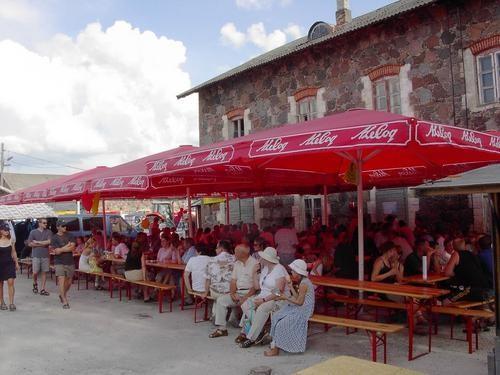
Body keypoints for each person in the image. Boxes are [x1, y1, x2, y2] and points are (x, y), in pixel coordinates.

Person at [239, 247, 287, 348]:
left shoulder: (279, 269)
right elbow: (257, 287)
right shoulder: (265, 269)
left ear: (267, 259)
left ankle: (251, 337)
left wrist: (264, 300)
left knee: (262, 308)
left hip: (276, 298)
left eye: (262, 258)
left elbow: (279, 291)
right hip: (263, 296)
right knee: (245, 304)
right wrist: (254, 273)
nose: (260, 259)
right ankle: (261, 331)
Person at [265, 259, 315, 356]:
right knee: (277, 315)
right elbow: (298, 298)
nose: (291, 272)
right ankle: (275, 343)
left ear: (298, 273)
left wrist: (285, 297)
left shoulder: (304, 284)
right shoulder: (303, 281)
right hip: (302, 306)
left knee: (281, 324)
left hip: (305, 310)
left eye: (293, 271)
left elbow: (300, 302)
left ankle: (276, 348)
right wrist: (291, 287)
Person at [209, 244, 259, 338]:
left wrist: (245, 297)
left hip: (251, 293)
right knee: (221, 300)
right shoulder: (237, 263)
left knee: (247, 305)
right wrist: (232, 293)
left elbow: (256, 287)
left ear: (243, 253)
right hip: (238, 292)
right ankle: (222, 329)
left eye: (236, 252)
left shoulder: (255, 264)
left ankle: (245, 332)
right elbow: (233, 281)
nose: (234, 254)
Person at [444, 238, 491, 302]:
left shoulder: (456, 254)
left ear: (453, 246)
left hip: (470, 290)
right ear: (464, 245)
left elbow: (447, 273)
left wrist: (456, 273)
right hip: (485, 289)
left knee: (445, 301)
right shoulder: (473, 254)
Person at [51, 220, 76, 309]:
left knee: (69, 282)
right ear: (58, 227)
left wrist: (61, 249)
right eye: (63, 226)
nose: (65, 227)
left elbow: (72, 247)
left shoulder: (70, 235)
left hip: (69, 261)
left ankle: (62, 294)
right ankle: (65, 301)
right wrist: (66, 247)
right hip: (59, 262)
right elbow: (55, 251)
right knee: (61, 280)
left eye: (65, 226)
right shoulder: (54, 238)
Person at [27, 218, 52, 297]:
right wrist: (43, 244)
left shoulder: (48, 232)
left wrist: (37, 242)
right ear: (39, 223)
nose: (46, 224)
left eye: (46, 223)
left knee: (44, 272)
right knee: (35, 272)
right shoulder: (33, 232)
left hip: (45, 255)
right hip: (36, 255)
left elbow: (49, 242)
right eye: (44, 223)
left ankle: (42, 289)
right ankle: (35, 283)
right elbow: (30, 244)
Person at [0, 222, 19, 311]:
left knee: (11, 282)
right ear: (1, 231)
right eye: (5, 230)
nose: (7, 231)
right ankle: (2, 302)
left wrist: (17, 263)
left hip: (9, 263)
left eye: (8, 230)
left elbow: (14, 252)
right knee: (0, 284)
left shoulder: (11, 240)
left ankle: (11, 303)